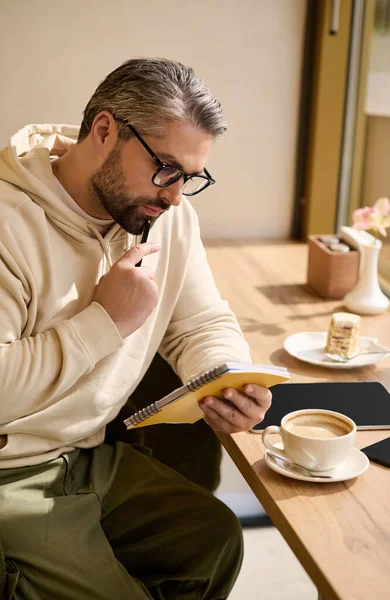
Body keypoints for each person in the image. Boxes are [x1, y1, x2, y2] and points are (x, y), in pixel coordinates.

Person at [0, 58, 272, 599]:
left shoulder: (163, 215)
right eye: (166, 168)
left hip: (84, 453)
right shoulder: (10, 223)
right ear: (104, 130)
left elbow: (200, 320)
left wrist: (228, 376)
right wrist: (105, 321)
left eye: (190, 178)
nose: (174, 195)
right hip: (9, 471)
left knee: (213, 540)